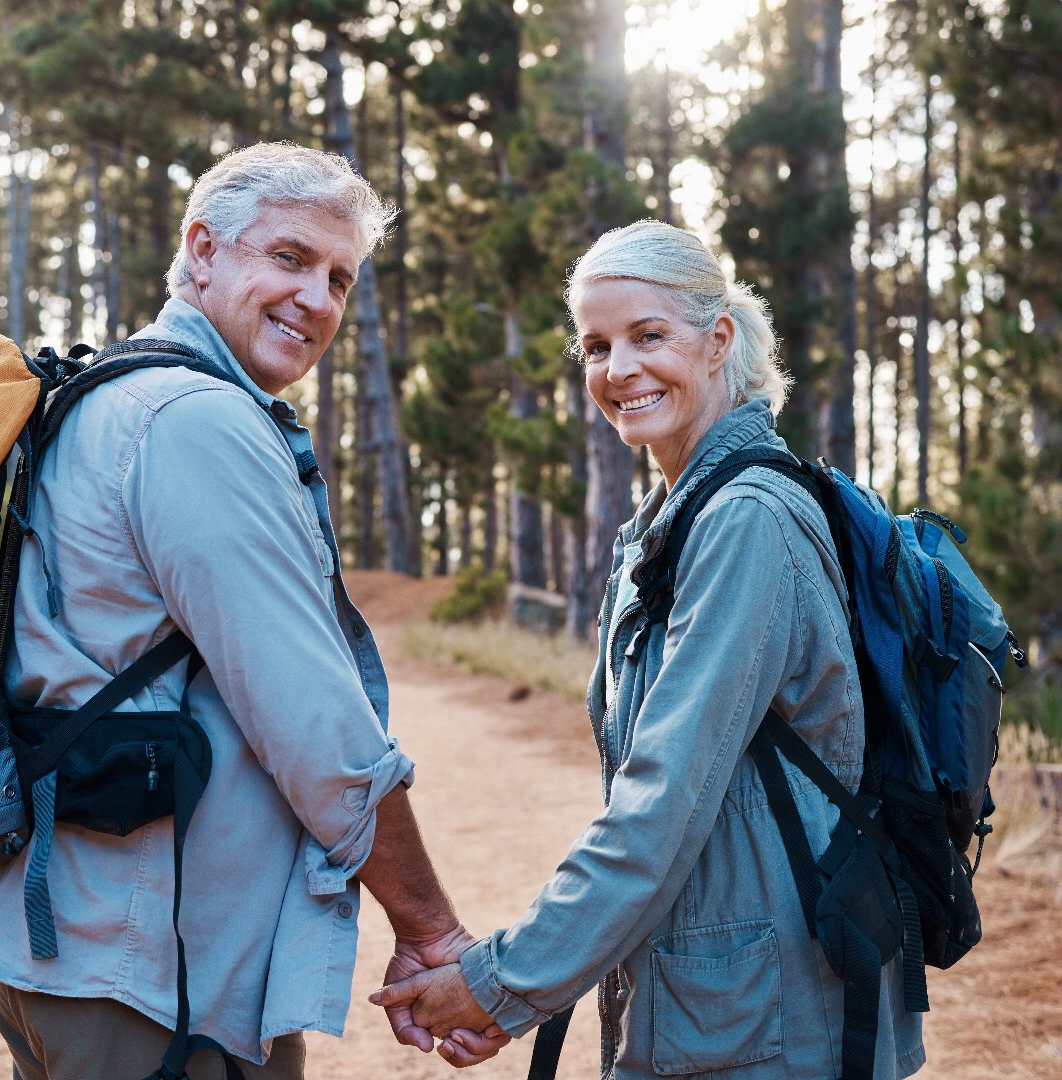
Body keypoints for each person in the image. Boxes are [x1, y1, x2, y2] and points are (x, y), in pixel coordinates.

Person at [0, 142, 508, 1079]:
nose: (319, 301)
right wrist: (432, 929)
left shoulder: (104, 396)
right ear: (202, 251)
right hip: (154, 978)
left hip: (72, 945)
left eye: (339, 278)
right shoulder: (193, 422)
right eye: (290, 258)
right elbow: (318, 728)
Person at [372, 220, 926, 1078]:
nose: (618, 369)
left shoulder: (747, 520)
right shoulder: (670, 524)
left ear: (719, 342)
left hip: (773, 1019)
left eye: (648, 335)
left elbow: (663, 803)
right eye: (596, 345)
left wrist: (500, 983)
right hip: (715, 1001)